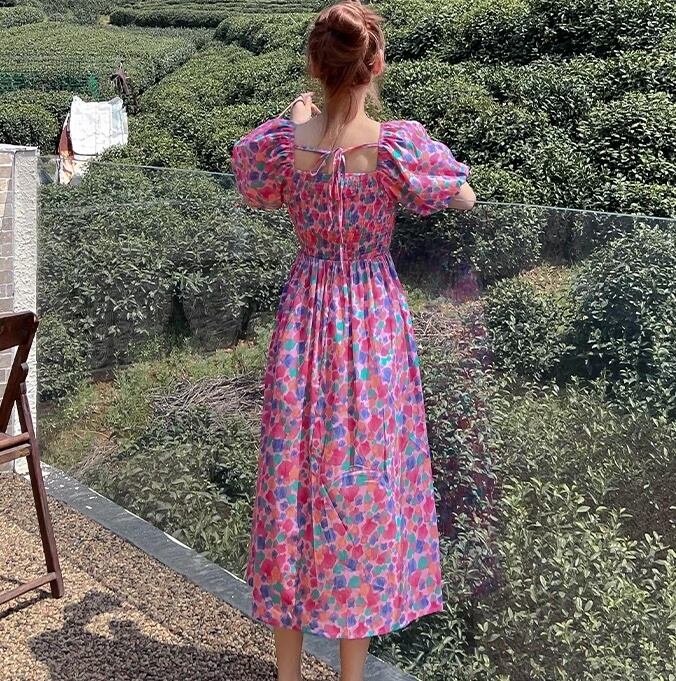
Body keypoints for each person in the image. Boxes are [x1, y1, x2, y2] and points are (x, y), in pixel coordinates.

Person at [231, 1, 475, 679]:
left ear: (316, 66)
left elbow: (253, 184)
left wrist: (296, 118)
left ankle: (286, 674)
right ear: (376, 65)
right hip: (370, 325)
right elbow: (461, 196)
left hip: (305, 318)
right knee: (361, 484)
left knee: (293, 482)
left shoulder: (289, 143)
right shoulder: (391, 146)